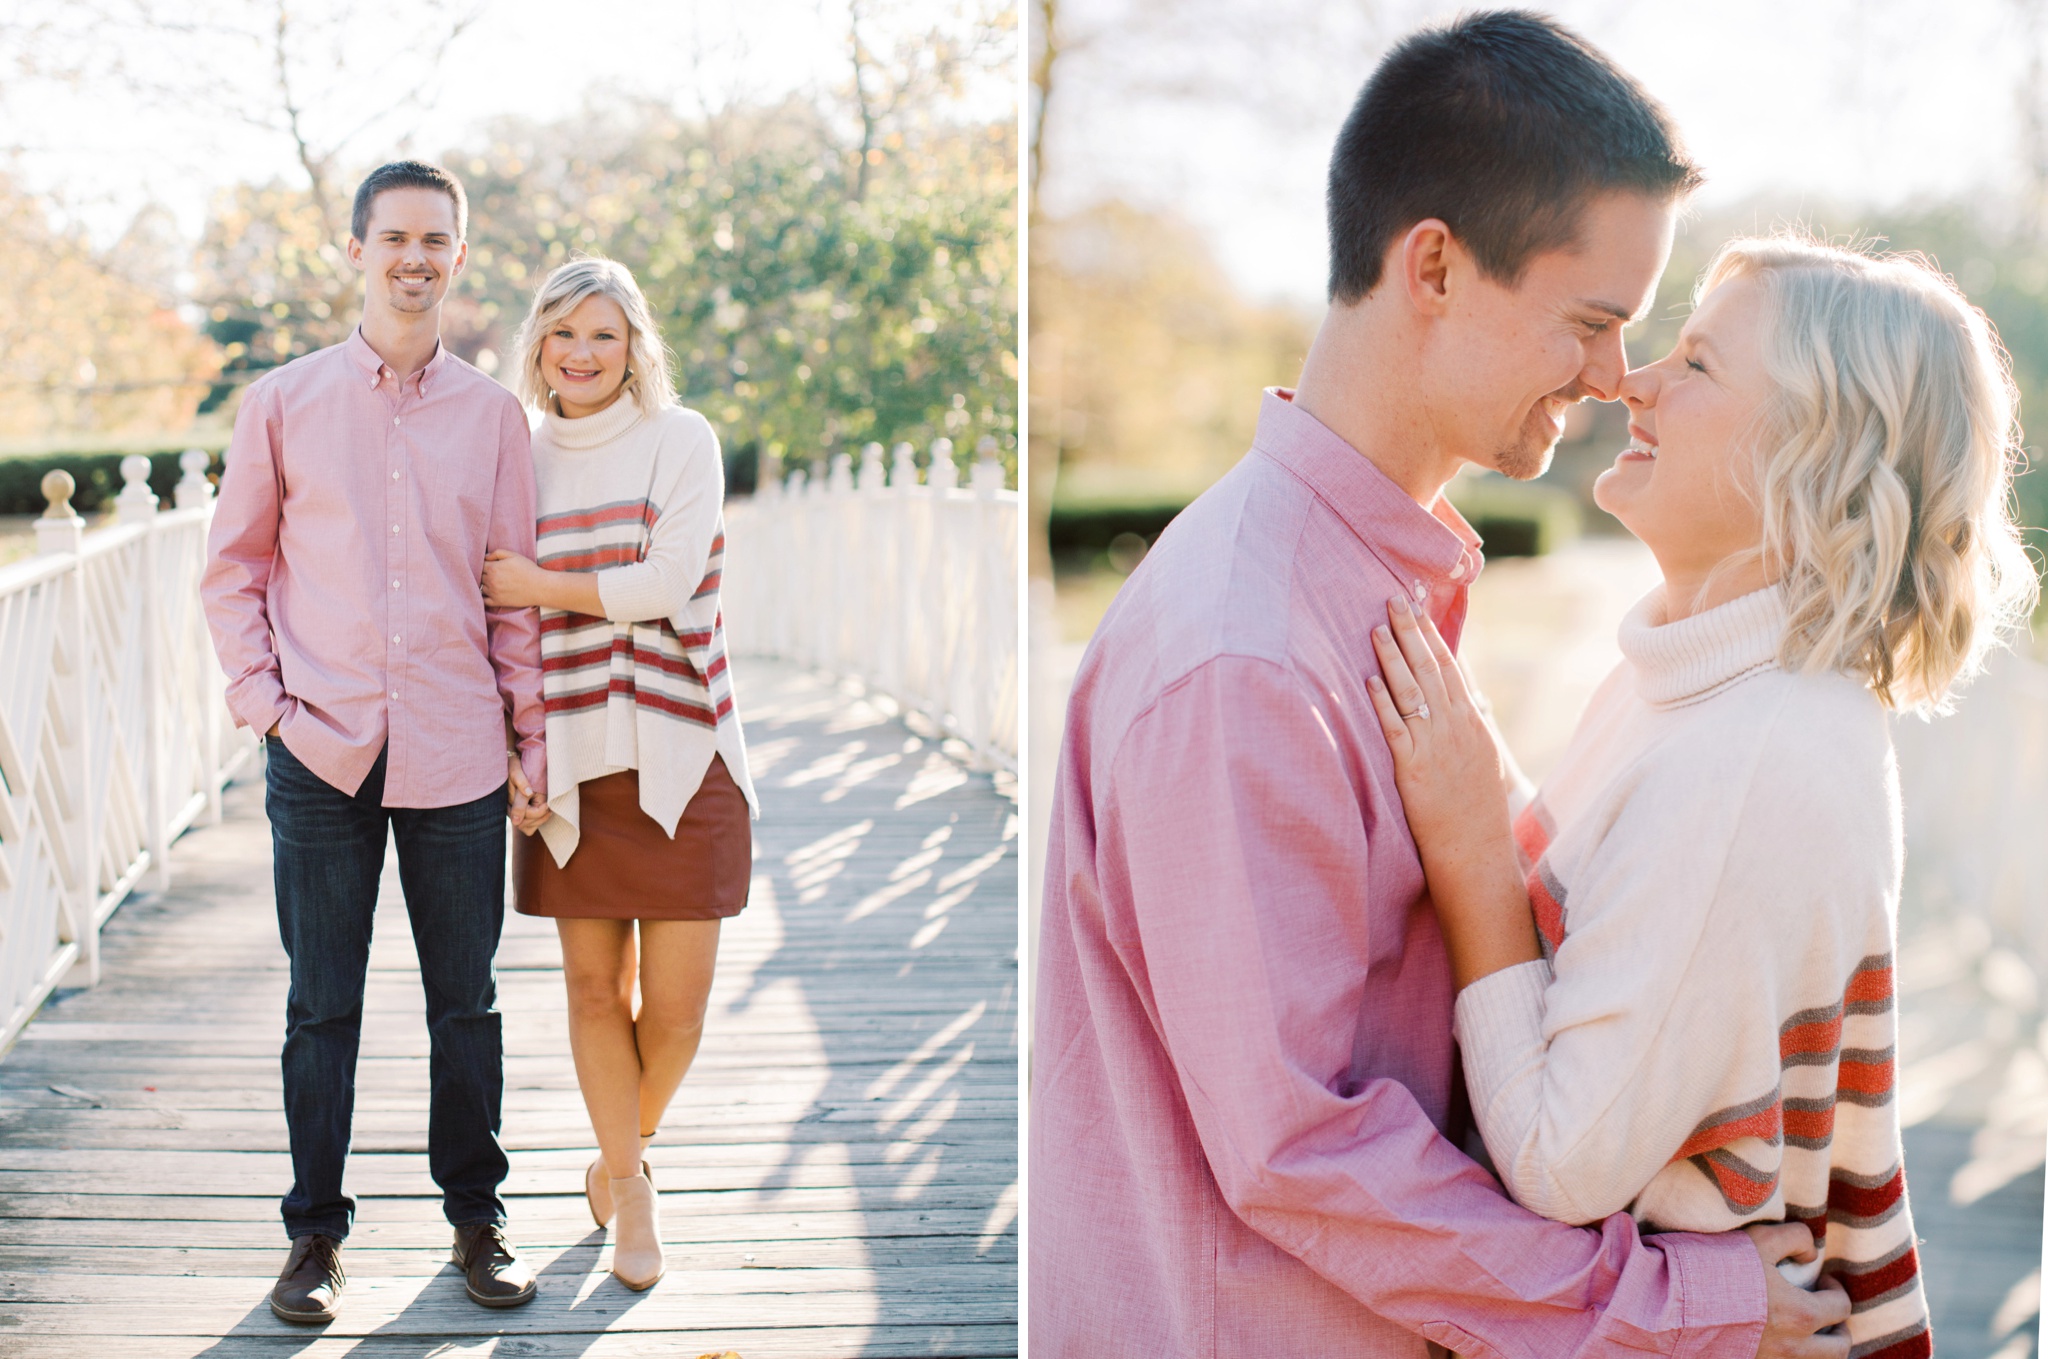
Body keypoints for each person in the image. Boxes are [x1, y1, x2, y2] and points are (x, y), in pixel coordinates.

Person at [1031, 13, 1856, 1358]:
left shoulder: (1365, 587)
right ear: (1433, 265)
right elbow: (1299, 1145)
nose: (1612, 379)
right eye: (1590, 322)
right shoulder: (1244, 656)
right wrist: (1677, 1307)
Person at [1365, 235, 2037, 1359]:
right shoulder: (1697, 690)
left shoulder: (1754, 759)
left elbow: (1553, 1158)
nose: (1632, 380)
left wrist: (1470, 854)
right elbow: (1629, 922)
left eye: (1698, 365)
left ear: (1814, 453)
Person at [202, 159, 548, 1324]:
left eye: (435, 240)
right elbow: (234, 571)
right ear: (354, 252)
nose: (414, 258)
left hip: (456, 747)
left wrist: (529, 737)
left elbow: (510, 598)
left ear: (459, 257)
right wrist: (266, 706)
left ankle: (477, 1221)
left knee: (467, 1001)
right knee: (320, 1005)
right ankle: (312, 1237)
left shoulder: (495, 417)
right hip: (320, 748)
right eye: (393, 236)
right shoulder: (283, 402)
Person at [478, 256, 758, 1292]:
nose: (581, 354)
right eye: (562, 335)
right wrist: (516, 750)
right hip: (569, 759)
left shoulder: (681, 439)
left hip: (684, 749)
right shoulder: (515, 451)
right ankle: (635, 1193)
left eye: (602, 333)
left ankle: (614, 1155)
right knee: (597, 992)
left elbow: (665, 583)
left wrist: (540, 580)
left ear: (634, 342)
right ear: (537, 347)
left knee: (677, 1011)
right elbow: (495, 621)